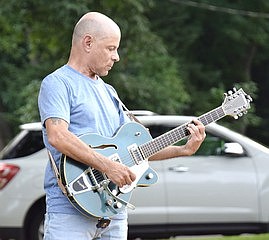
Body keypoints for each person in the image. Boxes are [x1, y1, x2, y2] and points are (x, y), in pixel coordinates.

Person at [38, 11, 206, 240]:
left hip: (113, 211)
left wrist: (183, 150)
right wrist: (108, 166)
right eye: (110, 48)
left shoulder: (109, 92)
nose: (116, 56)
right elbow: (57, 136)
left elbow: (136, 151)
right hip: (69, 212)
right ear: (88, 42)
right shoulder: (58, 83)